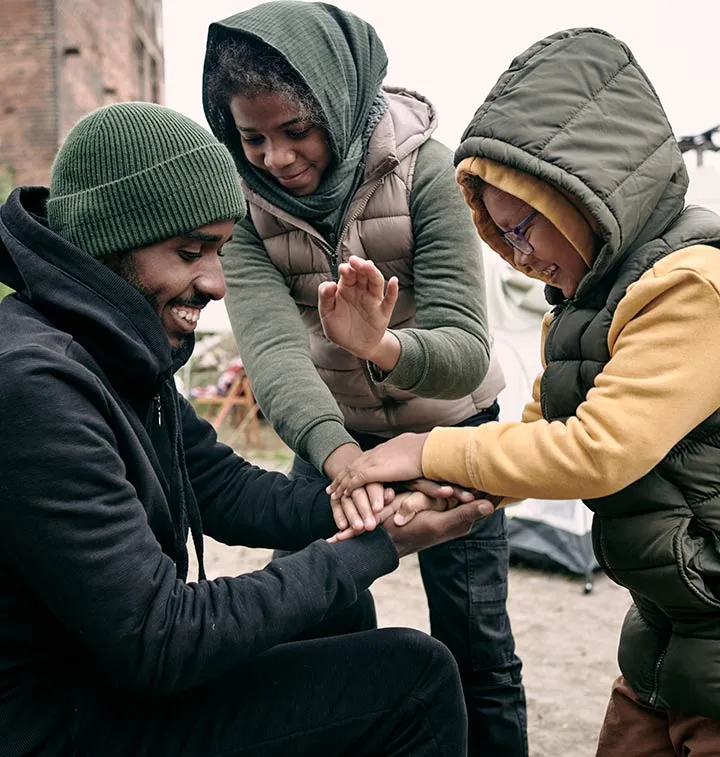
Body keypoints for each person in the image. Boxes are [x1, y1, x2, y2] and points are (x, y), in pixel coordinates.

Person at [0, 100, 495, 756]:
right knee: (416, 678)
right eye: (188, 252)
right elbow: (161, 638)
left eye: (221, 252)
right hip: (56, 722)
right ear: (106, 241)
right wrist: (383, 544)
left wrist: (371, 500)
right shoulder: (35, 383)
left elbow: (227, 490)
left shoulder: (113, 350)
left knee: (335, 608)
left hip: (109, 683)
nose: (215, 282)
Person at [326, 27, 720, 757]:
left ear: (591, 189)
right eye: (504, 234)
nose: (520, 252)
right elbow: (536, 434)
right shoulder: (582, 307)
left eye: (528, 224)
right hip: (670, 621)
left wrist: (422, 444)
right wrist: (438, 487)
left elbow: (594, 450)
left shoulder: (691, 286)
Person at [201, 3, 527, 752]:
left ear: (338, 103)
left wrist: (381, 345)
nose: (275, 158)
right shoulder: (243, 209)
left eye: (294, 131)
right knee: (316, 615)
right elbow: (275, 348)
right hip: (336, 431)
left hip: (452, 427)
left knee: (476, 638)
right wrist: (341, 459)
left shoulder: (427, 171)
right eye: (252, 138)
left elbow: (465, 349)